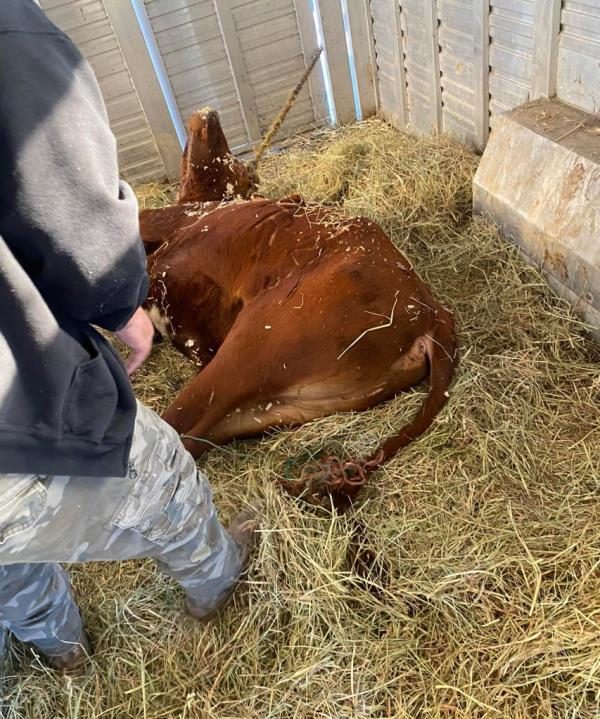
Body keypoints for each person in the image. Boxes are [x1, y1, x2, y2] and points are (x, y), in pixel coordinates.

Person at [0, 0, 255, 671]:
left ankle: (61, 647)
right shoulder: (6, 26)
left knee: (5, 558)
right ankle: (218, 580)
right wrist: (119, 299)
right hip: (12, 406)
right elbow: (58, 183)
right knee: (164, 472)